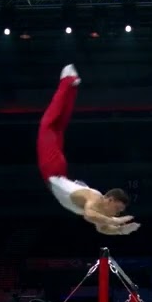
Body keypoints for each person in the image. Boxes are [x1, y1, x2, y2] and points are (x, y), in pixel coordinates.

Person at [37, 64, 139, 236]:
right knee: (48, 125)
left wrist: (121, 231)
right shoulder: (94, 198)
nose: (117, 213)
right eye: (117, 208)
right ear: (109, 199)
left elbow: (100, 227)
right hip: (52, 171)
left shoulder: (98, 209)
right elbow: (90, 215)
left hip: (57, 170)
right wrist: (115, 221)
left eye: (119, 212)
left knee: (58, 126)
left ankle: (72, 86)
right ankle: (67, 81)